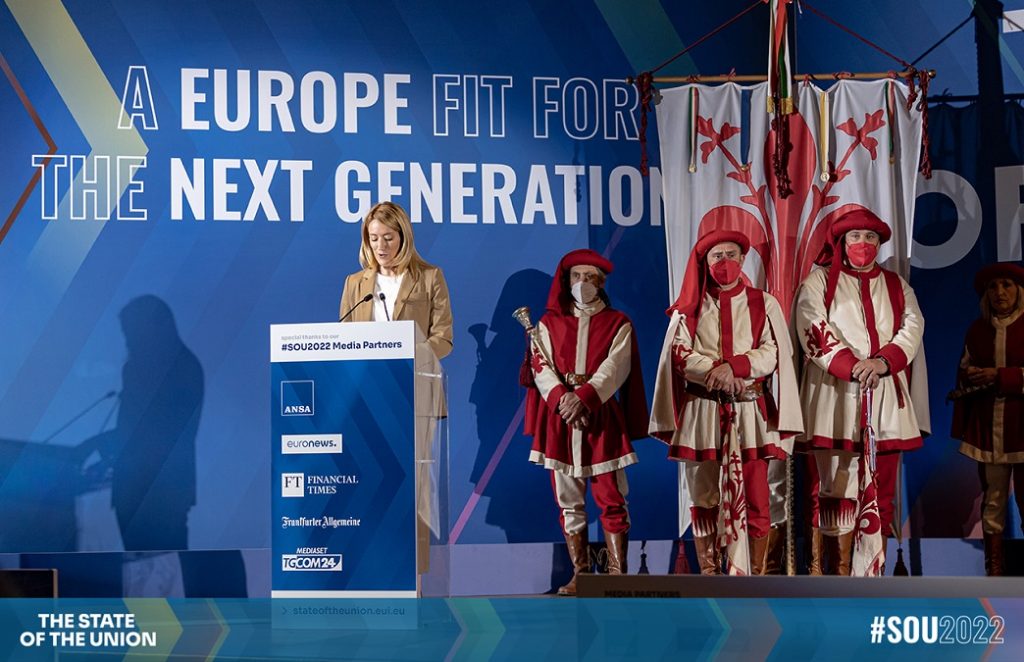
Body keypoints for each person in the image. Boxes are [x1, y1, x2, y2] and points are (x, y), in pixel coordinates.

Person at [650, 230, 802, 575]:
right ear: (704, 262)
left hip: (750, 410)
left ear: (743, 259)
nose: (725, 262)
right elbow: (679, 353)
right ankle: (709, 571)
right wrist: (716, 372)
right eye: (717, 256)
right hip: (702, 412)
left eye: (731, 254)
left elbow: (775, 350)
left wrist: (737, 367)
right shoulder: (688, 307)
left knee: (757, 492)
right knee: (703, 494)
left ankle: (756, 573)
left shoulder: (764, 302)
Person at [795, 207, 926, 576]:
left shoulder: (898, 285)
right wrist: (850, 365)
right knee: (833, 488)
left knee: (881, 491)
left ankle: (872, 579)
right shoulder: (819, 281)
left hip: (884, 398)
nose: (863, 244)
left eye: (871, 238)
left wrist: (883, 362)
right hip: (833, 397)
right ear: (840, 242)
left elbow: (912, 326)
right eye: (855, 237)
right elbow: (811, 324)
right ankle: (834, 579)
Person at [523, 249, 648, 596]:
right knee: (568, 499)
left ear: (602, 282)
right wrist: (563, 398)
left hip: (601, 416)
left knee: (611, 495)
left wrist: (586, 397)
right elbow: (540, 365)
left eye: (590, 277)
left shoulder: (618, 323)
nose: (583, 284)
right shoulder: (547, 324)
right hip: (560, 418)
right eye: (577, 277)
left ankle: (617, 573)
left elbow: (616, 366)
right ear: (566, 281)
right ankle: (581, 574)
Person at [952, 263, 1024, 576]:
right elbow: (964, 371)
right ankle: (994, 574)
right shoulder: (977, 329)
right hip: (989, 430)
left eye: (1006, 285)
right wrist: (970, 379)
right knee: (992, 502)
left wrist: (1000, 376)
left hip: (1021, 428)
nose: (999, 293)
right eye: (993, 287)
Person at [339, 201, 453, 360]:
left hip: (414, 375)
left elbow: (443, 339)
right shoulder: (354, 283)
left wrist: (409, 356)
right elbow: (344, 341)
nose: (381, 246)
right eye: (374, 238)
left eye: (388, 238)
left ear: (403, 238)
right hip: (367, 378)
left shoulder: (430, 277)